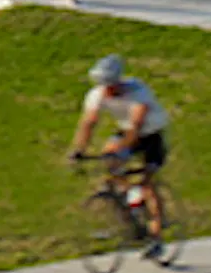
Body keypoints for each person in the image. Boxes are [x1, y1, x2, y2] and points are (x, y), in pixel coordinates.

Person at [67, 53, 175, 246]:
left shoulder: (138, 91)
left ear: (118, 82)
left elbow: (136, 125)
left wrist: (122, 149)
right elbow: (88, 122)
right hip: (126, 130)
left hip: (150, 134)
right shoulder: (96, 95)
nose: (108, 91)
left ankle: (156, 235)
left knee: (147, 183)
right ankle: (128, 213)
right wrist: (78, 150)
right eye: (104, 86)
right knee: (110, 161)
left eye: (111, 86)